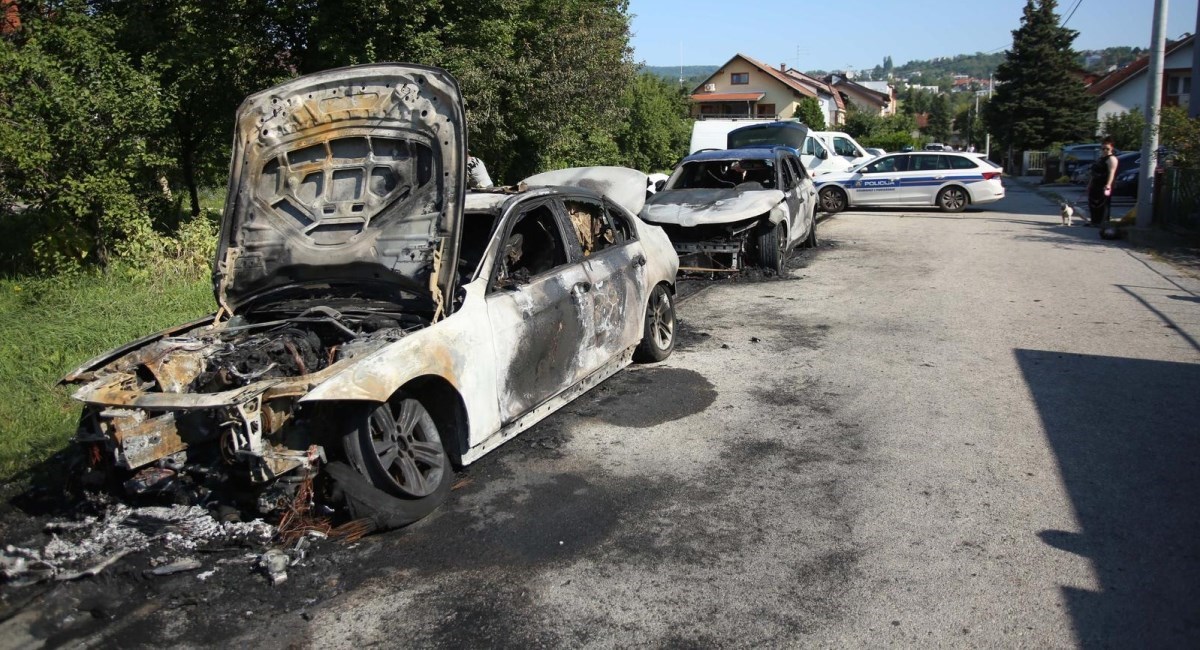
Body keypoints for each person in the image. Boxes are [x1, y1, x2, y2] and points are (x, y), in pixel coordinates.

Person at [1086, 137, 1118, 226]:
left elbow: (1112, 172)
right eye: (1103, 148)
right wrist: (1089, 184)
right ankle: (1094, 221)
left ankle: (1102, 222)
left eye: (1107, 148)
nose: (1105, 150)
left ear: (1112, 148)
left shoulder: (1112, 159)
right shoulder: (1101, 158)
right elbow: (1094, 172)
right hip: (1095, 183)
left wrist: (1108, 185)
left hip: (1104, 184)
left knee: (1102, 204)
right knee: (1093, 203)